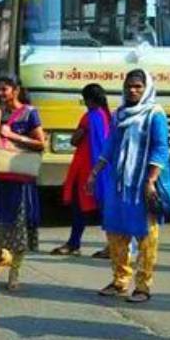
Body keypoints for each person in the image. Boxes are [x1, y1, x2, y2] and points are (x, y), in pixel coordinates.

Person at [88, 69, 170, 304]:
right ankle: (119, 280)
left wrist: (151, 181)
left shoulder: (155, 114)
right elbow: (110, 145)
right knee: (115, 233)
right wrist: (94, 173)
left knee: (146, 236)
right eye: (129, 86)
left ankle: (143, 286)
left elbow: (161, 149)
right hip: (118, 184)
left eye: (138, 86)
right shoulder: (119, 114)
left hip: (141, 185)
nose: (133, 90)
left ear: (147, 89)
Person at [0, 74, 45, 291]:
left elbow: (40, 143)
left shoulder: (30, 113)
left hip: (19, 177)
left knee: (18, 227)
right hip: (0, 176)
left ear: (16, 90)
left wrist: (13, 136)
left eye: (5, 90)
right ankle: (3, 255)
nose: (1, 93)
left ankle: (15, 273)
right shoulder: (1, 113)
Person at [52, 83, 111, 258]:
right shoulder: (108, 116)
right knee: (104, 208)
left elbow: (74, 141)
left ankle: (73, 244)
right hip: (104, 169)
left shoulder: (89, 117)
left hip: (86, 169)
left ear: (89, 100)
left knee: (79, 208)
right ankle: (112, 245)